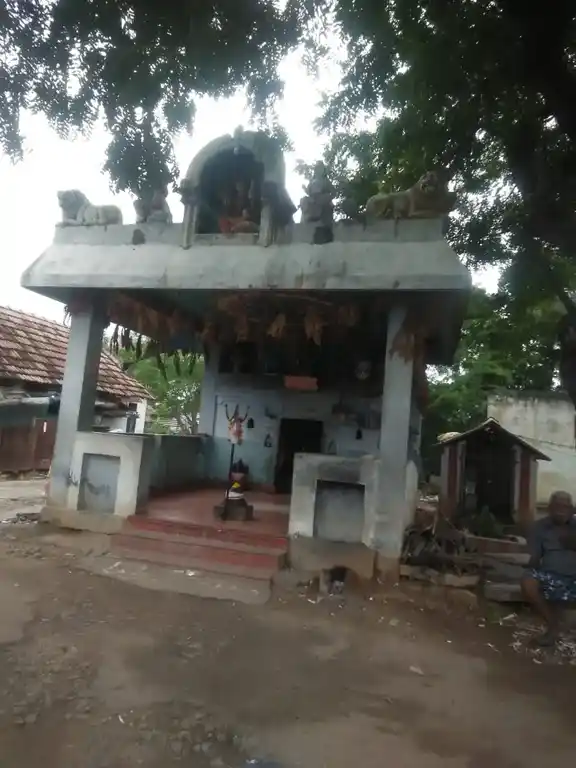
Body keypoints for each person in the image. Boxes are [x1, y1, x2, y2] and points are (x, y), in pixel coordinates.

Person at [521, 490, 576, 646]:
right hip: (550, 577)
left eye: (566, 507)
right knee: (528, 581)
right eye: (558, 506)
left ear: (571, 509)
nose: (561, 510)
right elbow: (534, 558)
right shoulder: (539, 527)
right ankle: (553, 626)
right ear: (550, 507)